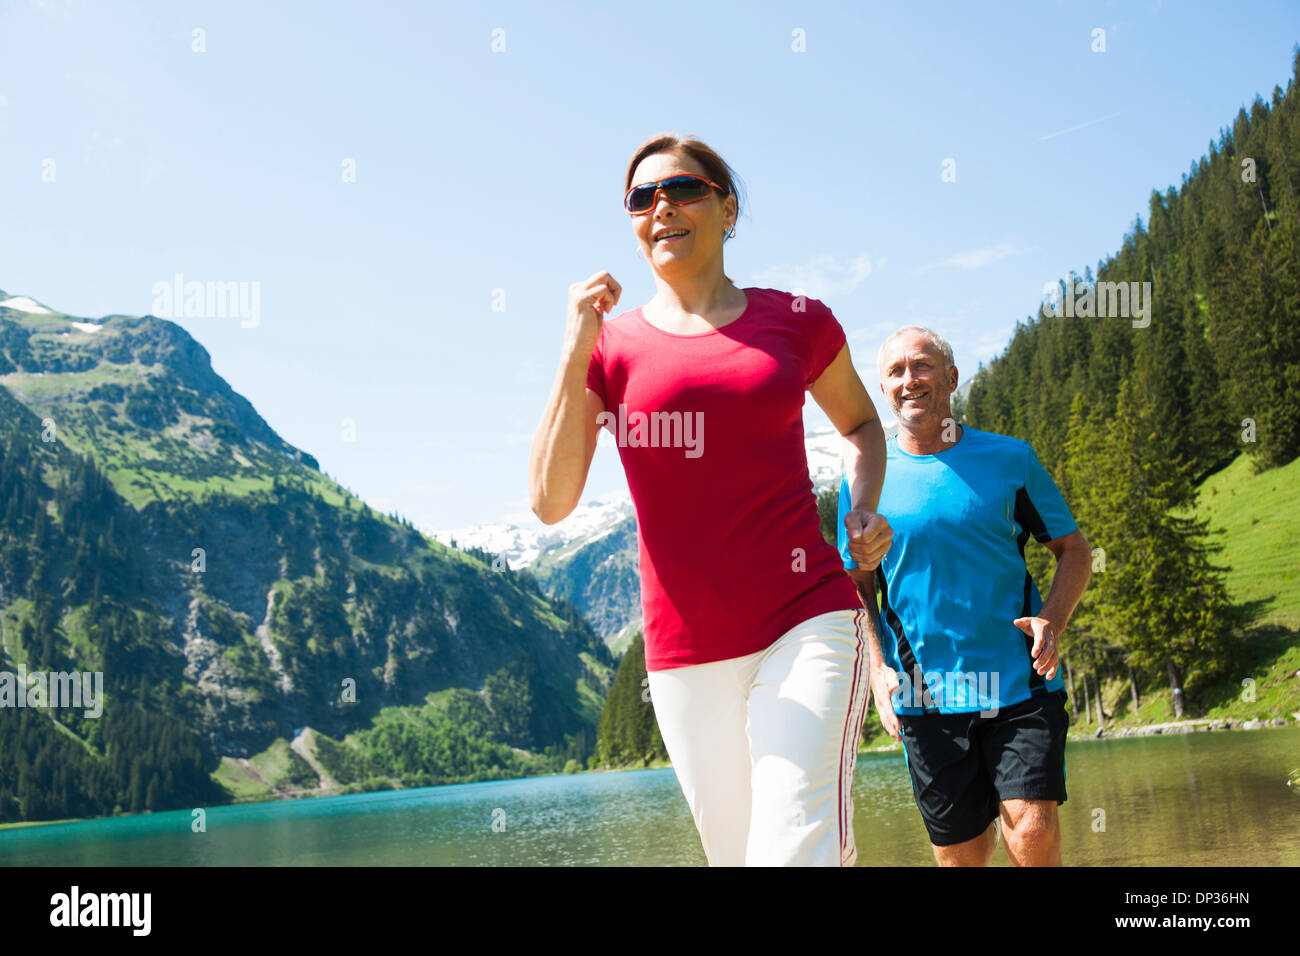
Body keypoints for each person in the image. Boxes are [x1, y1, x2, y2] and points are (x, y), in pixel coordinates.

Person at [528, 132, 892, 866]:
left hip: (807, 620)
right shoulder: (609, 348)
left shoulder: (797, 318)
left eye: (683, 189)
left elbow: (860, 423)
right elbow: (549, 501)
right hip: (684, 656)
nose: (661, 206)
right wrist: (573, 349)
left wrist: (862, 504)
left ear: (727, 209)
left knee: (792, 850)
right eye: (642, 197)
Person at [837, 326, 1092, 866]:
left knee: (1032, 830)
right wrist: (880, 673)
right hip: (924, 697)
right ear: (882, 389)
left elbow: (1074, 550)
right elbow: (858, 587)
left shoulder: (1010, 461)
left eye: (923, 366)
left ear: (951, 378)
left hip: (1020, 683)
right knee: (962, 857)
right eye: (896, 371)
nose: (911, 380)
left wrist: (1054, 617)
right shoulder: (863, 482)